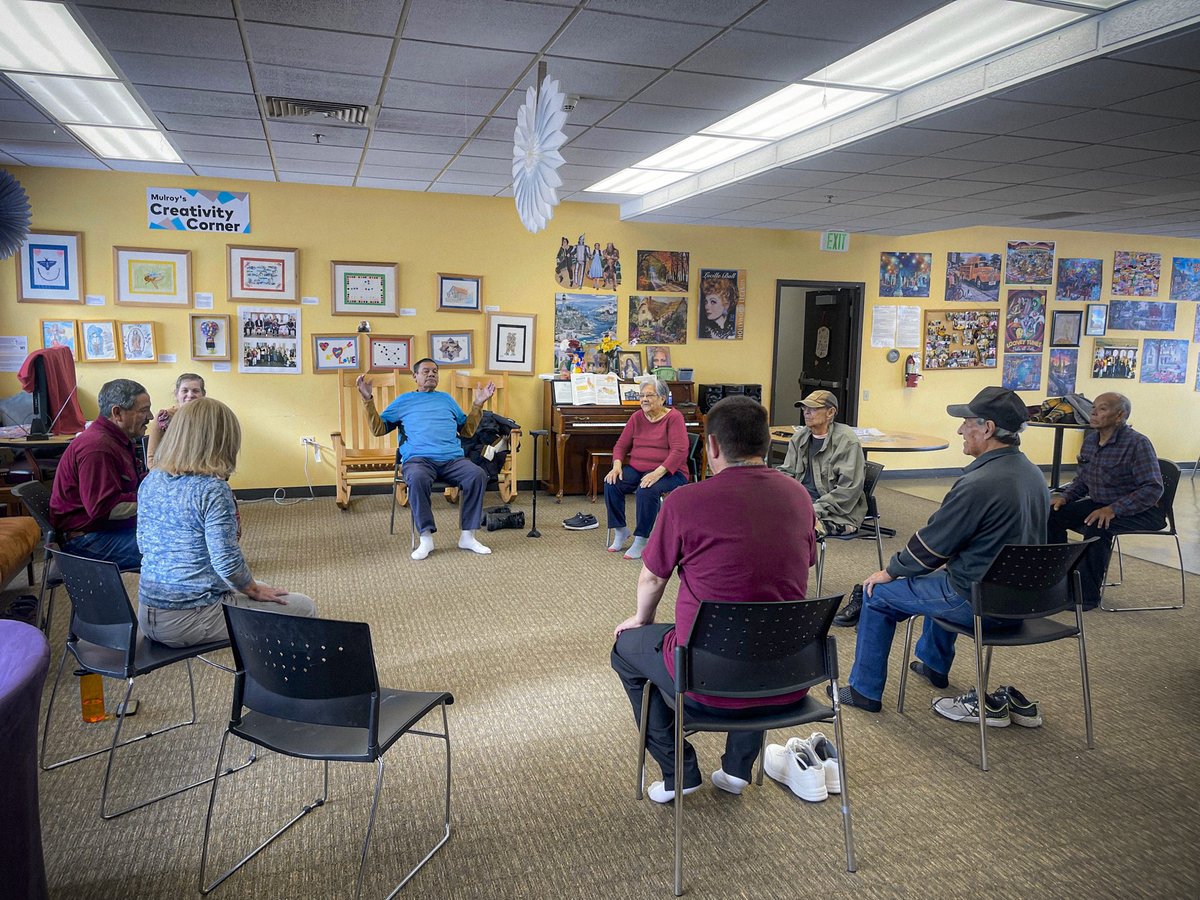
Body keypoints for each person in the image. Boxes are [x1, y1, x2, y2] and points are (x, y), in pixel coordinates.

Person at [611, 396, 816, 802]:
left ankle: (679, 772)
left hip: (705, 676)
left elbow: (653, 577)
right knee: (761, 627)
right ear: (765, 443)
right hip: (790, 674)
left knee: (624, 649)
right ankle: (737, 772)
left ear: (714, 447)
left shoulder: (686, 500)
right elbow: (804, 564)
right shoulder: (798, 496)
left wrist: (641, 618)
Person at [832, 387, 1048, 725]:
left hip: (978, 601)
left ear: (988, 428)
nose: (960, 430)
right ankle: (933, 664)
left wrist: (890, 571)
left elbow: (932, 545)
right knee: (938, 577)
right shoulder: (1033, 474)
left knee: (877, 595)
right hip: (1023, 601)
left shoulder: (979, 482)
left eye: (966, 423)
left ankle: (864, 691)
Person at [136, 398, 316, 647]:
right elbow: (226, 562)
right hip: (189, 618)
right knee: (302, 607)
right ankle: (278, 681)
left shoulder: (152, 480)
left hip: (148, 612)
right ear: (222, 442)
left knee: (263, 587)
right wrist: (252, 590)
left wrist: (251, 586)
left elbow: (143, 545)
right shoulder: (212, 490)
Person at [357, 359, 495, 560]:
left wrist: (477, 404)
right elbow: (379, 429)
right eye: (426, 371)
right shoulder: (403, 401)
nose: (431, 374)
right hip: (418, 460)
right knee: (417, 478)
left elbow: (467, 431)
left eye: (435, 372)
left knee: (477, 475)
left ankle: (468, 536)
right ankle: (426, 537)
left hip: (452, 460)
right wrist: (368, 400)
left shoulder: (446, 400)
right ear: (415, 377)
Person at [1047, 392, 1163, 609]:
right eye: (1093, 408)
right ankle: (1057, 583)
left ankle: (1086, 596)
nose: (1093, 413)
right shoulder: (1090, 441)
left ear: (1120, 415)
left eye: (1102, 409)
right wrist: (1065, 497)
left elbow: (1152, 488)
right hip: (1101, 503)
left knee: (1097, 525)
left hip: (1140, 509)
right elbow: (1083, 480)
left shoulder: (1137, 443)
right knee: (1053, 515)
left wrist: (1114, 509)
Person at [49, 378, 152, 570]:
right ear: (117, 413)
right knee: (176, 548)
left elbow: (136, 484)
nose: (151, 416)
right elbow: (104, 507)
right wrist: (158, 500)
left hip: (102, 532)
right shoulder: (97, 448)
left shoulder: (118, 440)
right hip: (86, 542)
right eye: (144, 411)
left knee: (180, 535)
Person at [604, 378, 689, 560]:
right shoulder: (637, 417)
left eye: (649, 395)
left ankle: (641, 539)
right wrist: (617, 466)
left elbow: (680, 451)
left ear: (662, 398)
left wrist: (657, 473)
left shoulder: (674, 418)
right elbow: (621, 445)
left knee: (647, 489)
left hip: (671, 472)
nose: (644, 399)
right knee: (611, 483)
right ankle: (621, 530)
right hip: (639, 468)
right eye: (641, 395)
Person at [779, 389, 866, 538]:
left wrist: (813, 510)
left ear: (830, 412)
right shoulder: (799, 437)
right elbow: (786, 474)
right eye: (804, 408)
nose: (806, 412)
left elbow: (848, 491)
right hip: (802, 504)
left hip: (838, 514)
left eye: (812, 408)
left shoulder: (846, 440)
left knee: (795, 532)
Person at [146, 373, 206, 467]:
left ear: (203, 394)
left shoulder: (208, 418)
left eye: (195, 391)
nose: (190, 395)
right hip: (168, 474)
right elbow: (151, 459)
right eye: (185, 391)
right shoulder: (163, 417)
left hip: (201, 473)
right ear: (176, 394)